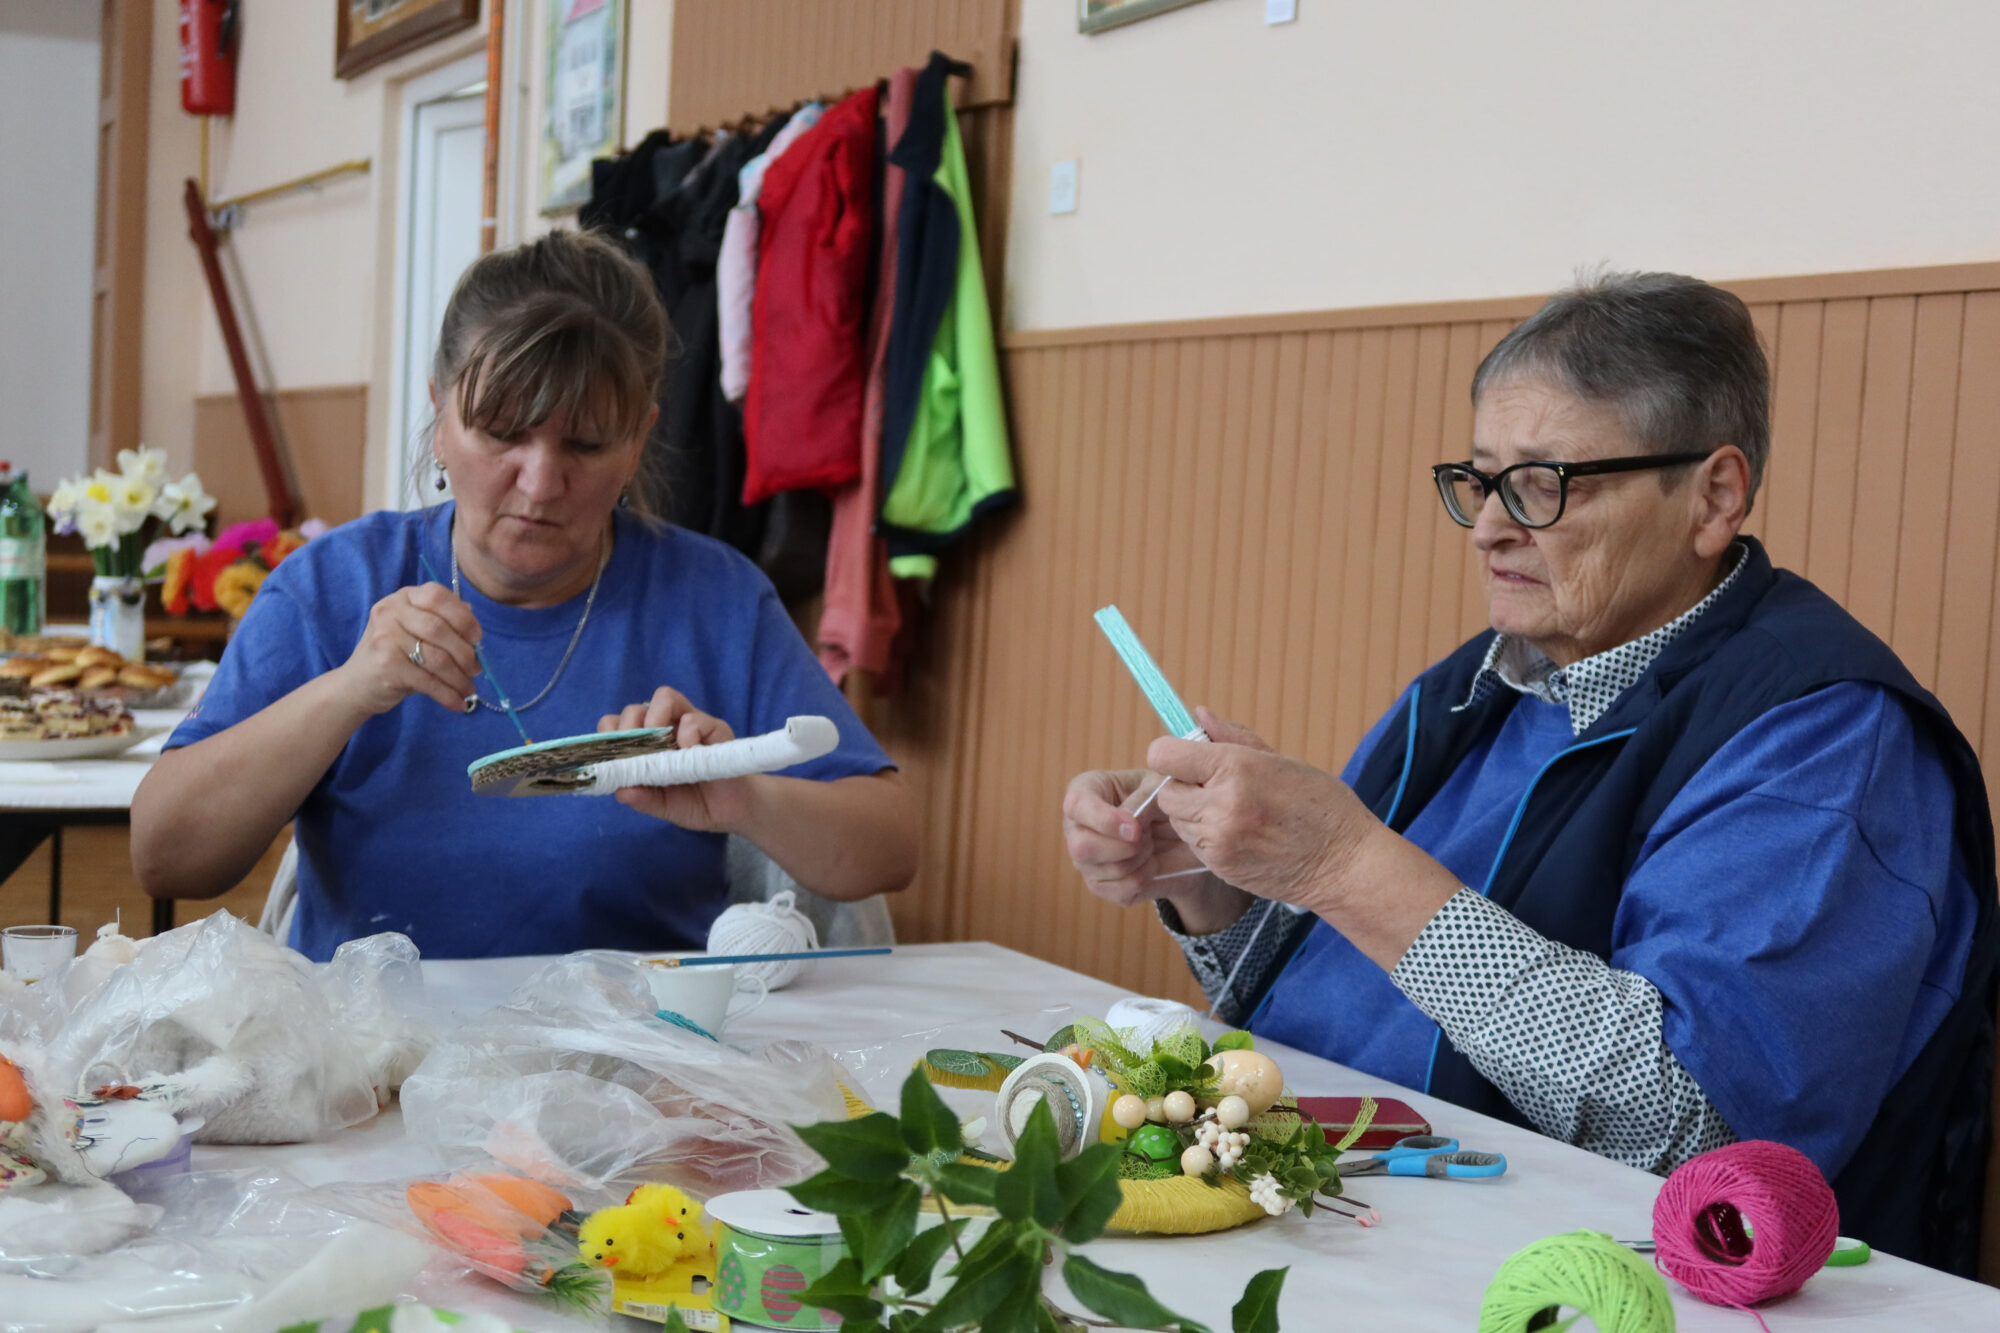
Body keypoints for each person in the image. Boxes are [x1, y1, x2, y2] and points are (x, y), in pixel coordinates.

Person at [1063, 272, 1996, 1274]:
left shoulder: (1822, 737)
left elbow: (1699, 1133)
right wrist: (1218, 888)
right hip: (1345, 1217)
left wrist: (1341, 864)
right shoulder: (1480, 682)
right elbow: (1336, 1003)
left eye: (1544, 484)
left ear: (1713, 496)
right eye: (1480, 482)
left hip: (1590, 1280)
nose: (1490, 528)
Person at [132, 229, 917, 962]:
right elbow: (165, 856)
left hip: (639, 1047)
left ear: (638, 441)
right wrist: (350, 689)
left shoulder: (714, 600)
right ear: (441, 417)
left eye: (587, 444)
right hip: (374, 1047)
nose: (541, 483)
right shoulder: (333, 587)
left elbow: (889, 846)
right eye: (504, 433)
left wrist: (740, 794)